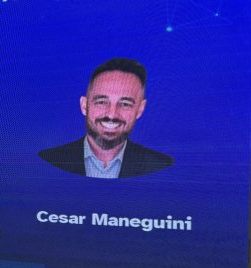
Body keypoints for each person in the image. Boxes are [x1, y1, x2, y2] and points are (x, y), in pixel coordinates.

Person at [39, 58, 173, 178]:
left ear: (140, 109)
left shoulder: (162, 168)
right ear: (84, 106)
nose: (112, 114)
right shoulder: (46, 162)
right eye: (102, 102)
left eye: (125, 104)